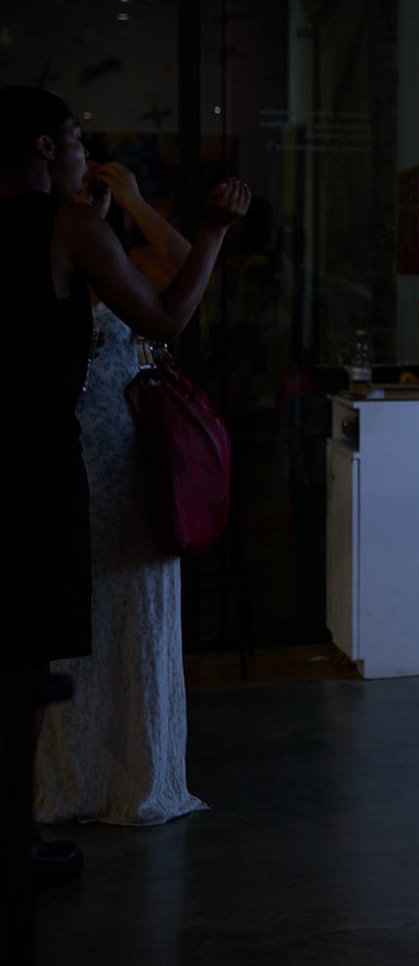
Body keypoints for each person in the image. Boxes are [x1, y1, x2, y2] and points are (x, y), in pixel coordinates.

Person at [0, 86, 247, 914]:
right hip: (36, 463)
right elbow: (169, 315)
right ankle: (18, 842)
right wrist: (212, 230)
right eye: (73, 140)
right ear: (42, 146)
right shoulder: (66, 229)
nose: (82, 154)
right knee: (30, 653)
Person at [35, 157, 208, 826]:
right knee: (80, 603)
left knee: (134, 597)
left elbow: (189, 265)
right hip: (76, 445)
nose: (89, 200)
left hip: (133, 451)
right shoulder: (54, 256)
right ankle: (70, 774)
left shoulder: (125, 261)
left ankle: (133, 771)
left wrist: (134, 203)